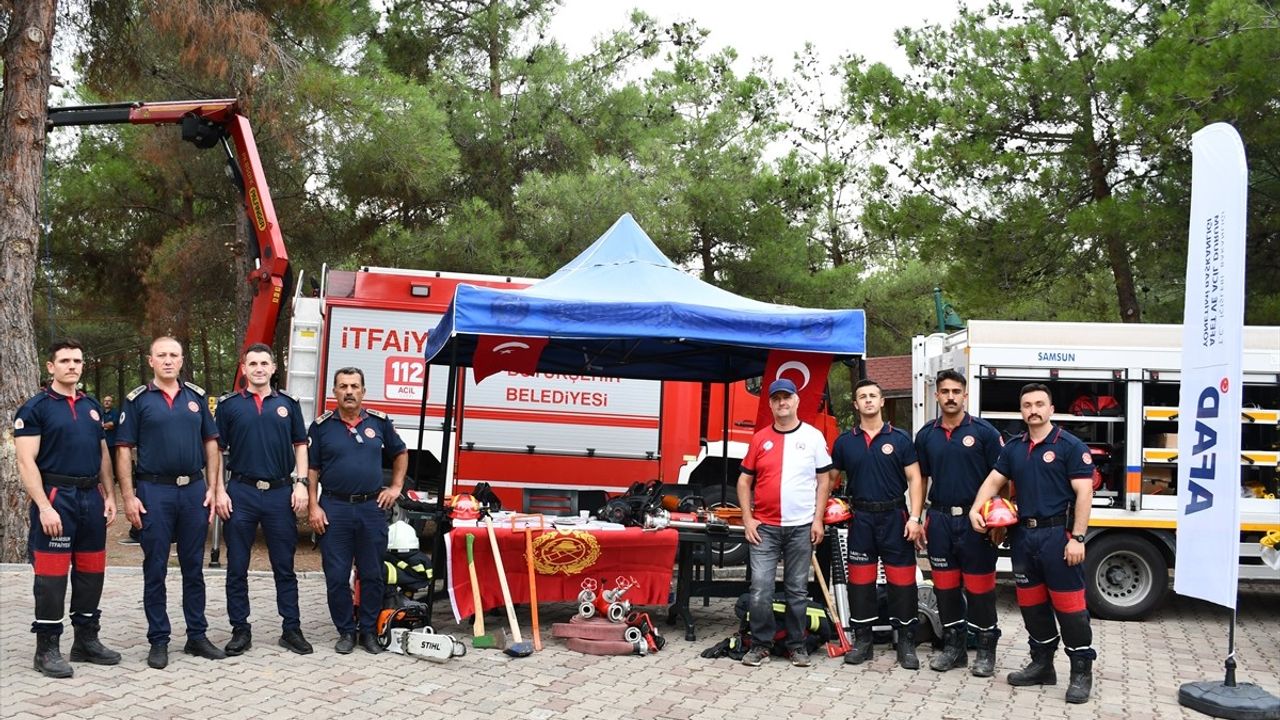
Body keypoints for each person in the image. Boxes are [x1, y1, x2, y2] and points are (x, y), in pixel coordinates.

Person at [969, 383, 1096, 704]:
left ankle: (1081, 672)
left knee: (1070, 609)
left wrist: (1078, 537)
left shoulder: (1069, 445)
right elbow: (993, 482)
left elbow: (1085, 493)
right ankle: (1042, 665)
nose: (1033, 410)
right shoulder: (1013, 448)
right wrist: (976, 508)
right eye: (1027, 405)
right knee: (1032, 606)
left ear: (1051, 409)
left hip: (1058, 537)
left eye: (1040, 404)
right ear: (1022, 410)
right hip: (1023, 537)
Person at [115, 336, 230, 669]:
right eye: (161, 355)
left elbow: (211, 444)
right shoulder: (137, 401)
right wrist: (129, 496)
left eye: (174, 355)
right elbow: (123, 449)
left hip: (193, 491)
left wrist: (213, 487)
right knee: (156, 569)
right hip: (155, 493)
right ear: (151, 360)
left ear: (182, 361)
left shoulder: (195, 397)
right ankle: (159, 640)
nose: (168, 360)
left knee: (194, 567)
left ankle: (197, 636)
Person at [15, 340, 121, 677]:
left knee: (91, 573)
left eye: (77, 360)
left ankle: (86, 642)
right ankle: (46, 650)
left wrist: (109, 494)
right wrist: (44, 507)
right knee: (52, 577)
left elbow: (102, 452)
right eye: (64, 361)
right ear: (51, 367)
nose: (72, 366)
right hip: (56, 498)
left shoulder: (91, 406)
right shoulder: (35, 409)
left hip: (91, 498)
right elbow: (25, 462)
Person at [215, 343, 312, 656]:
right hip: (240, 493)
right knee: (237, 566)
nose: (258, 368)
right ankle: (240, 630)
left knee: (284, 566)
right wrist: (218, 489)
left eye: (264, 363)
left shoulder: (288, 404)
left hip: (280, 493)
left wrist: (301, 484)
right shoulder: (229, 406)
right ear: (244, 369)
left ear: (273, 368)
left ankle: (291, 629)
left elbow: (300, 445)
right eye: (252, 363)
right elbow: (216, 451)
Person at [306, 367, 407, 654]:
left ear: (363, 391)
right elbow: (312, 469)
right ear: (334, 392)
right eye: (342, 386)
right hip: (334, 508)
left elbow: (400, 452)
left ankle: (368, 632)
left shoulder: (380, 423)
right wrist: (313, 506)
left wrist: (396, 487)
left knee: (372, 573)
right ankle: (346, 632)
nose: (349, 391)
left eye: (354, 386)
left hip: (371, 508)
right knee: (336, 576)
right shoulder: (321, 427)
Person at [735, 378, 832, 668]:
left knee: (797, 590)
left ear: (797, 401)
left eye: (786, 397)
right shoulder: (760, 438)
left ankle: (796, 645)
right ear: (770, 404)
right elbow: (744, 480)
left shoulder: (813, 437)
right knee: (761, 588)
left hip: (801, 526)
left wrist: (818, 520)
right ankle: (761, 644)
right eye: (776, 398)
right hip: (764, 527)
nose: (782, 403)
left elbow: (824, 479)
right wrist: (747, 518)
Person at [913, 370, 1004, 675]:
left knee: (980, 590)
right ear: (936, 395)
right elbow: (920, 479)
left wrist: (999, 520)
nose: (950, 396)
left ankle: (986, 650)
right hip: (939, 519)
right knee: (945, 589)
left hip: (975, 521)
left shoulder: (985, 433)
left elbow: (1003, 479)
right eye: (944, 391)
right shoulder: (926, 434)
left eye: (956, 391)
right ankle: (954, 648)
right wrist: (921, 517)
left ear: (965, 395)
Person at [830, 378, 925, 669]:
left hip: (895, 517)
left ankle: (906, 643)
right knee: (860, 583)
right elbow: (831, 480)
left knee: (902, 583)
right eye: (862, 396)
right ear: (856, 404)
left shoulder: (900, 438)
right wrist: (826, 509)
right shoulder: (845, 442)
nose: (868, 400)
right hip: (861, 520)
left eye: (873, 395)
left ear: (882, 402)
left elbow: (916, 479)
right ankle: (863, 641)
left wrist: (915, 517)